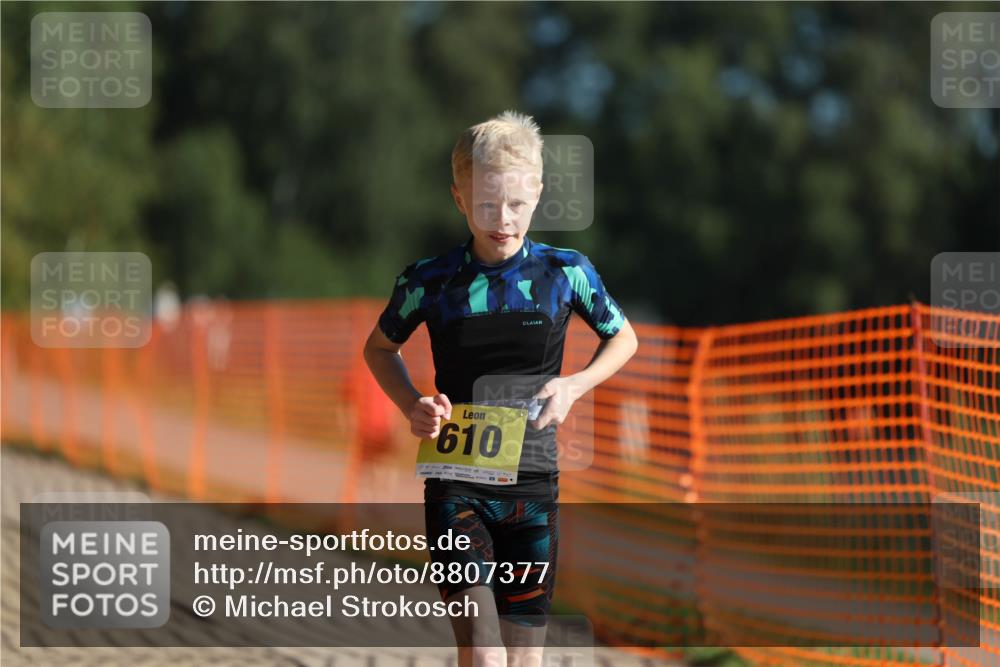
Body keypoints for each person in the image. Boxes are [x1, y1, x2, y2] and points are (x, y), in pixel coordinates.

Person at [363, 110, 638, 667]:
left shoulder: (566, 273)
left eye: (515, 204)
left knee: (524, 661)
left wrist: (574, 386)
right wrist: (411, 403)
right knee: (485, 654)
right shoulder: (429, 281)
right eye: (486, 205)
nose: (502, 220)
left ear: (537, 192)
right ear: (459, 197)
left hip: (533, 490)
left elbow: (623, 338)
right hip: (455, 486)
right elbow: (379, 349)